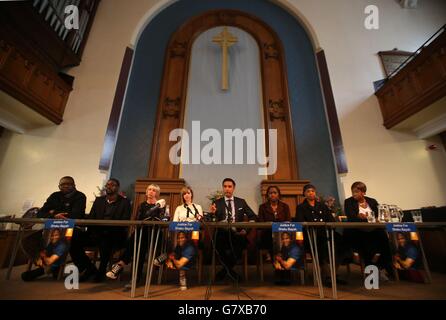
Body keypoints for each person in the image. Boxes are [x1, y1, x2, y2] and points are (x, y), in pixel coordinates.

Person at [70, 178, 131, 282]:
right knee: (72, 238)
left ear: (117, 187)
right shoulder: (99, 200)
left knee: (105, 239)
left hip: (115, 235)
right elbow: (91, 218)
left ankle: (101, 271)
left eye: (112, 185)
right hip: (96, 233)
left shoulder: (124, 202)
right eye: (107, 184)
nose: (109, 186)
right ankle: (88, 268)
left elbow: (125, 220)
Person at [106, 184, 164, 284]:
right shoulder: (142, 205)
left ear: (157, 193)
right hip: (142, 233)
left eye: (154, 190)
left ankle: (120, 266)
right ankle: (134, 278)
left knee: (138, 242)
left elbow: (164, 220)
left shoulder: (161, 205)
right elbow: (138, 220)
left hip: (155, 234)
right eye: (149, 189)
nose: (151, 192)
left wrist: (158, 209)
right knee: (139, 247)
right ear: (146, 192)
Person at [22, 176, 86, 266]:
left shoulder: (80, 196)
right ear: (59, 186)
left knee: (61, 240)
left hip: (71, 227)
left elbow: (76, 215)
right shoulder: (55, 196)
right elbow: (41, 213)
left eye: (69, 184)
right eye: (63, 184)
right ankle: (42, 263)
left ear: (74, 185)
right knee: (27, 240)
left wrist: (53, 211)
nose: (66, 186)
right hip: (50, 228)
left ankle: (49, 268)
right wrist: (53, 215)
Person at [295, 184, 348, 286]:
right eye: (308, 191)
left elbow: (331, 221)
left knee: (342, 243)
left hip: (325, 233)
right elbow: (299, 222)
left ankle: (334, 274)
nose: (311, 193)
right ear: (304, 194)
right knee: (321, 247)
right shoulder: (301, 207)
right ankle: (328, 277)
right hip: (311, 235)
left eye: (313, 191)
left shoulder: (322, 206)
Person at [210, 178, 257, 281]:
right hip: (222, 234)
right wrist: (213, 214)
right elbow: (213, 221)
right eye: (225, 186)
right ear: (223, 188)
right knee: (218, 241)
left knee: (240, 243)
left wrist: (245, 230)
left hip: (237, 234)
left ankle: (225, 271)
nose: (227, 189)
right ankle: (231, 272)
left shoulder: (241, 202)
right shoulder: (217, 203)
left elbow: (253, 216)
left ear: (234, 188)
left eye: (229, 186)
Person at [344, 181, 393, 281]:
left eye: (356, 192)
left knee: (383, 236)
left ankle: (381, 266)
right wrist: (368, 219)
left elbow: (380, 216)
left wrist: (365, 217)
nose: (354, 194)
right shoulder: (348, 202)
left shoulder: (372, 201)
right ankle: (373, 268)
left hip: (374, 230)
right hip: (358, 231)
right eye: (353, 192)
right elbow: (352, 218)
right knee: (367, 241)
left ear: (363, 192)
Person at [258, 186, 291, 262]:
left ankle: (282, 259)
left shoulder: (285, 206)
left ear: (278, 194)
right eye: (270, 193)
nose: (272, 195)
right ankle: (277, 259)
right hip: (268, 234)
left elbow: (288, 221)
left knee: (285, 238)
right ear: (267, 195)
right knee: (273, 238)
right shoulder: (262, 207)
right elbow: (261, 223)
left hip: (282, 233)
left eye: (275, 193)